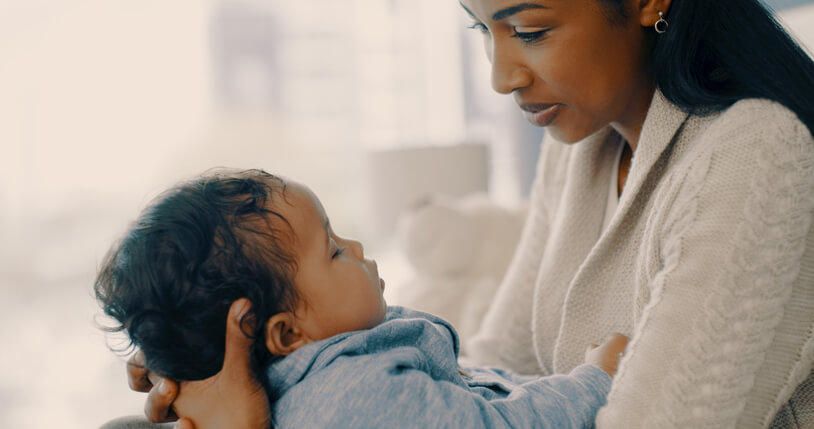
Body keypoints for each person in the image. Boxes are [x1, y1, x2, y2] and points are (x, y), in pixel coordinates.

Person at [111, 0, 814, 427]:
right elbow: (491, 367)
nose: (500, 76)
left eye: (530, 30)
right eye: (483, 30)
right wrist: (242, 380)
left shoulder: (754, 152)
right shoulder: (580, 144)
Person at [95, 169, 629, 429]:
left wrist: (185, 340)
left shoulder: (333, 360)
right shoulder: (356, 398)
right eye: (332, 250)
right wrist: (595, 380)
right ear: (285, 334)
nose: (355, 246)